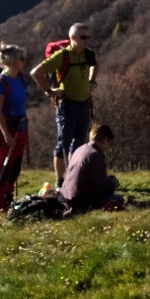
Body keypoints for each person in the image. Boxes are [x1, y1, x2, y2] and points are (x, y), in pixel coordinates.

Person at [31, 22, 97, 188]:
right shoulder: (62, 56)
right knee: (63, 144)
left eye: (88, 37)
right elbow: (36, 72)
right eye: (83, 37)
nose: (87, 40)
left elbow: (96, 63)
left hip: (84, 105)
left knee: (80, 145)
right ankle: (60, 182)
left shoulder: (87, 54)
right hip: (67, 106)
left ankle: (74, 178)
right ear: (72, 38)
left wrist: (92, 81)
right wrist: (49, 91)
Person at [0, 44, 31, 213]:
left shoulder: (19, 78)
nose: (24, 62)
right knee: (2, 167)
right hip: (5, 129)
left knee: (15, 165)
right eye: (21, 58)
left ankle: (8, 198)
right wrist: (7, 134)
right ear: (13, 61)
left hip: (20, 127)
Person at [60, 122, 121, 214]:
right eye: (110, 143)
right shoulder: (96, 155)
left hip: (66, 197)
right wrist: (112, 184)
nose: (109, 147)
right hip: (80, 201)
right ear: (104, 140)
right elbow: (101, 188)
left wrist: (107, 180)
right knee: (119, 199)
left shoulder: (80, 149)